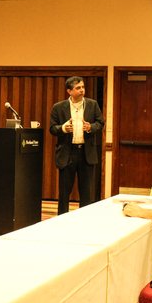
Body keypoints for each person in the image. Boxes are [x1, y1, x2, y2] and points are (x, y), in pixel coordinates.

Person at [50, 76, 104, 215]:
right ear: (69, 91)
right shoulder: (58, 107)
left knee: (86, 191)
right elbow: (52, 128)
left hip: (86, 153)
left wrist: (90, 127)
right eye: (78, 88)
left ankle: (84, 218)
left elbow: (100, 123)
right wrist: (63, 128)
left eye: (83, 87)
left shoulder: (92, 105)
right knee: (64, 191)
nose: (82, 90)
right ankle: (62, 219)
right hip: (67, 153)